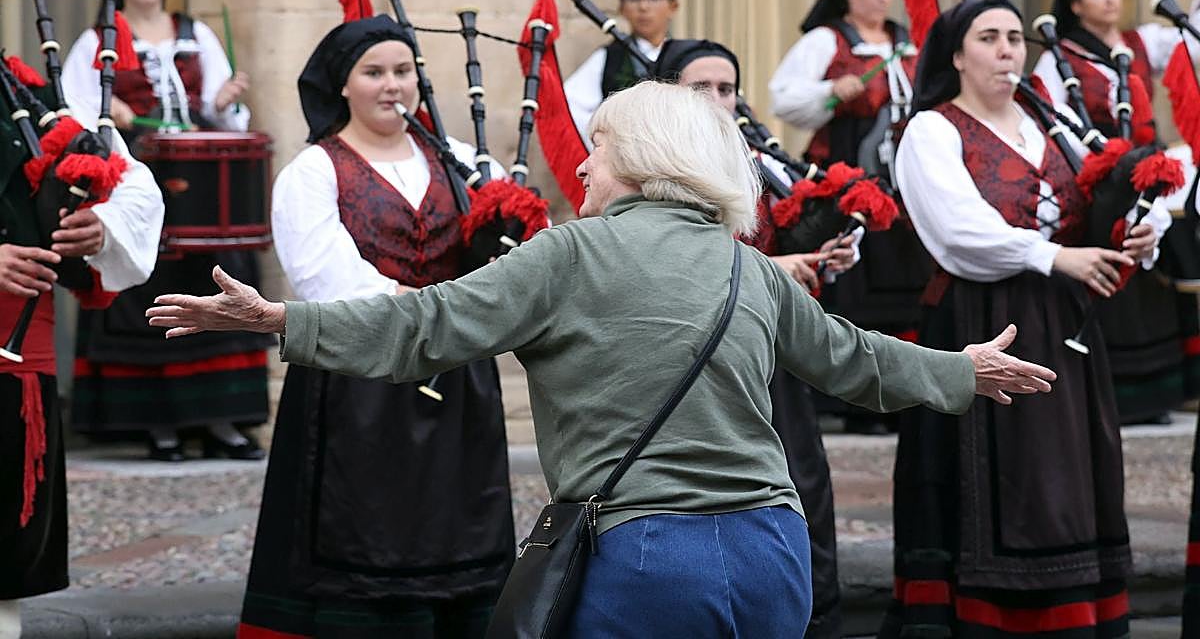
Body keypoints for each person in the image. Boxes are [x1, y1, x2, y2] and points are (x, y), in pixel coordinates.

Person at [148, 80, 1057, 639]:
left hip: (646, 558)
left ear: (641, 160)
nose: (579, 173)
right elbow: (854, 362)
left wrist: (280, 322)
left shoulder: (565, 255)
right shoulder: (746, 264)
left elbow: (421, 327)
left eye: (597, 154)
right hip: (779, 552)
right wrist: (961, 370)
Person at [882, 0, 1159, 638]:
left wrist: (1133, 232)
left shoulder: (1048, 115)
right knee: (1004, 481)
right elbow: (956, 230)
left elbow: (1098, 193)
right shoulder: (932, 129)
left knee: (1069, 472)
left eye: (1014, 36)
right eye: (989, 37)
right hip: (981, 317)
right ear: (956, 55)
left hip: (1064, 318)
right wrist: (1053, 255)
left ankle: (1075, 615)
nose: (1008, 49)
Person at [234, 15, 513, 639]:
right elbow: (323, 280)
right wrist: (437, 316)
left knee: (458, 525)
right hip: (357, 384)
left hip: (458, 385)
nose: (393, 85)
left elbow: (506, 273)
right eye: (374, 72)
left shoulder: (462, 163)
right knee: (365, 538)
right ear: (343, 85)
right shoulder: (314, 171)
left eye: (403, 71)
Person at [656, 36, 856, 639]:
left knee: (800, 486)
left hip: (774, 362)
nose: (719, 100)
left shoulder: (759, 162)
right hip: (696, 368)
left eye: (727, 88)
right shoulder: (655, 172)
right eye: (701, 89)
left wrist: (820, 257)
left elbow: (779, 244)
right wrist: (777, 270)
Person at [59, 0, 273, 461]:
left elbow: (224, 113)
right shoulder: (99, 39)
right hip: (136, 177)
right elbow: (74, 112)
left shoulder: (196, 33)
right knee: (147, 282)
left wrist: (224, 102)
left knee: (216, 275)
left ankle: (222, 421)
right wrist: (110, 116)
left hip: (200, 185)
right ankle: (160, 425)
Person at [0, 61, 164, 636]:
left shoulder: (26, 95)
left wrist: (101, 224)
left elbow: (133, 186)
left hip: (13, 362)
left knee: (4, 561)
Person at [1032, 0, 1200, 423]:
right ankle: (1116, 398)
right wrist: (1110, 170)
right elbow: (1054, 124)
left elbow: (1194, 42)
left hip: (1151, 174)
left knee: (1152, 278)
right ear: (1076, 4)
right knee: (1113, 279)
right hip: (1100, 183)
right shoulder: (1058, 59)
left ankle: (1156, 396)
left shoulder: (1142, 42)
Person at [768, 0, 931, 433]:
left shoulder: (905, 42)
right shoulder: (829, 40)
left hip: (905, 184)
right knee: (854, 279)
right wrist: (831, 91)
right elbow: (783, 96)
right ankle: (854, 400)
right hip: (847, 176)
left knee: (907, 281)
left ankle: (902, 392)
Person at [563, 0, 678, 143]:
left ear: (673, 5)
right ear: (622, 7)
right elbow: (568, 108)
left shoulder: (688, 58)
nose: (643, 6)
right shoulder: (608, 59)